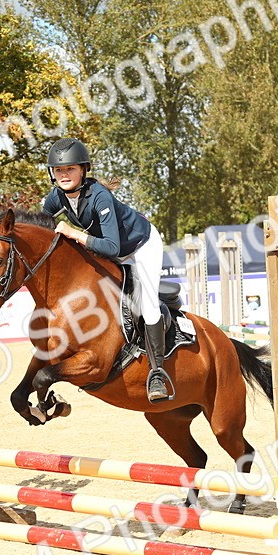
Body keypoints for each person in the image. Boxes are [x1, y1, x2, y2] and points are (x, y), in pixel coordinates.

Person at [41, 137, 172, 402]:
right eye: (59, 170)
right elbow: (42, 228)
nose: (64, 174)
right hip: (110, 248)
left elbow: (112, 247)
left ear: (83, 170)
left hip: (140, 245)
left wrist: (74, 233)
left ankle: (158, 372)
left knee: (146, 303)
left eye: (70, 169)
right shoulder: (56, 197)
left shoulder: (100, 196)